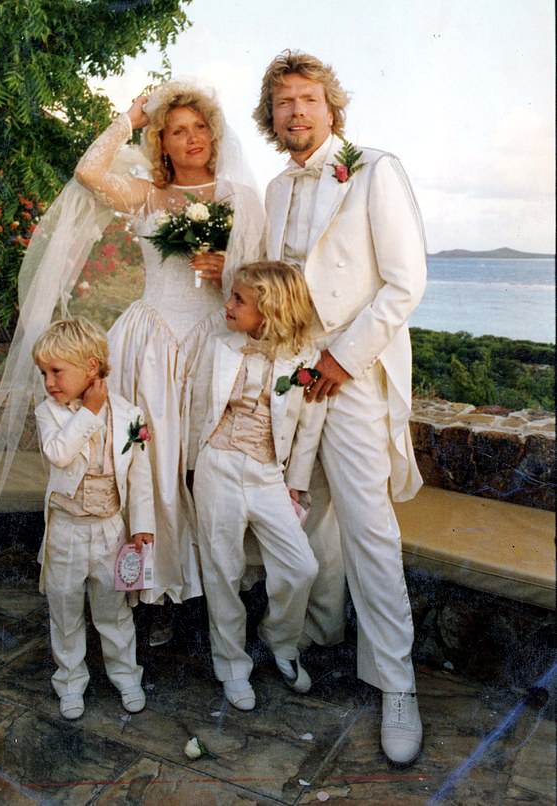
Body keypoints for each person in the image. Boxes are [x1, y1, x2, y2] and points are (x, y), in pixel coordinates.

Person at [0, 80, 263, 636]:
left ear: (214, 133)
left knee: (206, 467)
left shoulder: (241, 198)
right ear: (161, 142)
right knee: (147, 464)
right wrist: (129, 118)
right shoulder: (147, 195)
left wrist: (230, 269)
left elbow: (262, 280)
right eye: (176, 131)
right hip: (149, 343)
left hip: (213, 344)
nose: (191, 138)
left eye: (199, 127)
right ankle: (151, 590)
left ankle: (208, 593)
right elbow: (88, 174)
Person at [254, 50, 427, 765]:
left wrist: (342, 358)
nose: (296, 111)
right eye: (284, 101)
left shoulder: (375, 170)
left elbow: (405, 283)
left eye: (308, 98)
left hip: (351, 371)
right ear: (271, 116)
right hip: (292, 370)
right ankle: (313, 637)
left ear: (332, 108)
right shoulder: (274, 189)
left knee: (367, 524)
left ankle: (397, 684)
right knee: (304, 511)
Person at [193, 261, 324, 711]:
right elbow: (196, 407)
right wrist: (191, 466)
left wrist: (295, 485)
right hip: (218, 465)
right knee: (223, 570)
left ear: (268, 311)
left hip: (268, 474)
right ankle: (231, 664)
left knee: (301, 567)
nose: (227, 305)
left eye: (239, 299)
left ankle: (280, 641)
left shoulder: (305, 361)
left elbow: (308, 429)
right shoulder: (220, 347)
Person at [31, 317, 155, 720]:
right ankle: (70, 681)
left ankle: (126, 676)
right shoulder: (48, 413)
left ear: (90, 366)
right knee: (65, 611)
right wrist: (89, 412)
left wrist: (142, 526)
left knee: (113, 611)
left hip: (110, 530)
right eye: (44, 373)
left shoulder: (130, 414)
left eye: (56, 371)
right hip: (66, 530)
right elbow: (60, 454)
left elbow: (139, 476)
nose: (49, 382)